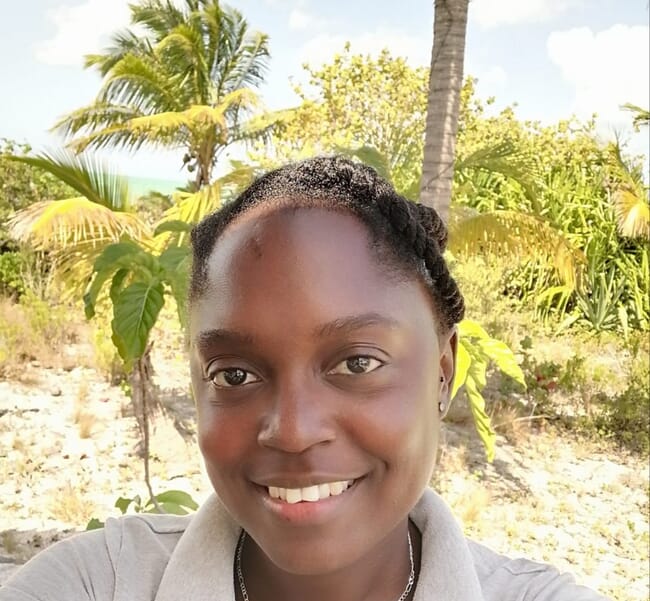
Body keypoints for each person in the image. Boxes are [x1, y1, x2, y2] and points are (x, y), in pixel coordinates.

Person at [0, 156, 610, 601]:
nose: (292, 431)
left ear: (443, 371)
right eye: (234, 373)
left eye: (358, 363)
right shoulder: (96, 583)